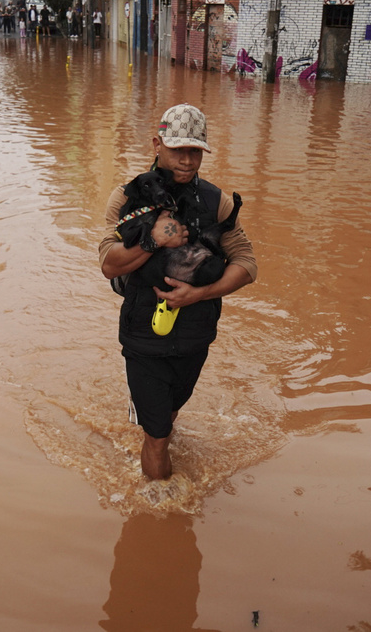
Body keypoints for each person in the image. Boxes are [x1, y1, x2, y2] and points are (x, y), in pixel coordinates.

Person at [98, 104, 257, 481]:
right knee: (158, 436)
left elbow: (247, 265)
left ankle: (156, 424)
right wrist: (151, 241)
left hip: (195, 335)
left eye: (194, 152)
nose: (186, 161)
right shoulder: (126, 198)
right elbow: (109, 264)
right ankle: (158, 507)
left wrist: (199, 295)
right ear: (157, 144)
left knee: (170, 415)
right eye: (177, 151)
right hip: (143, 336)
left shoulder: (217, 202)